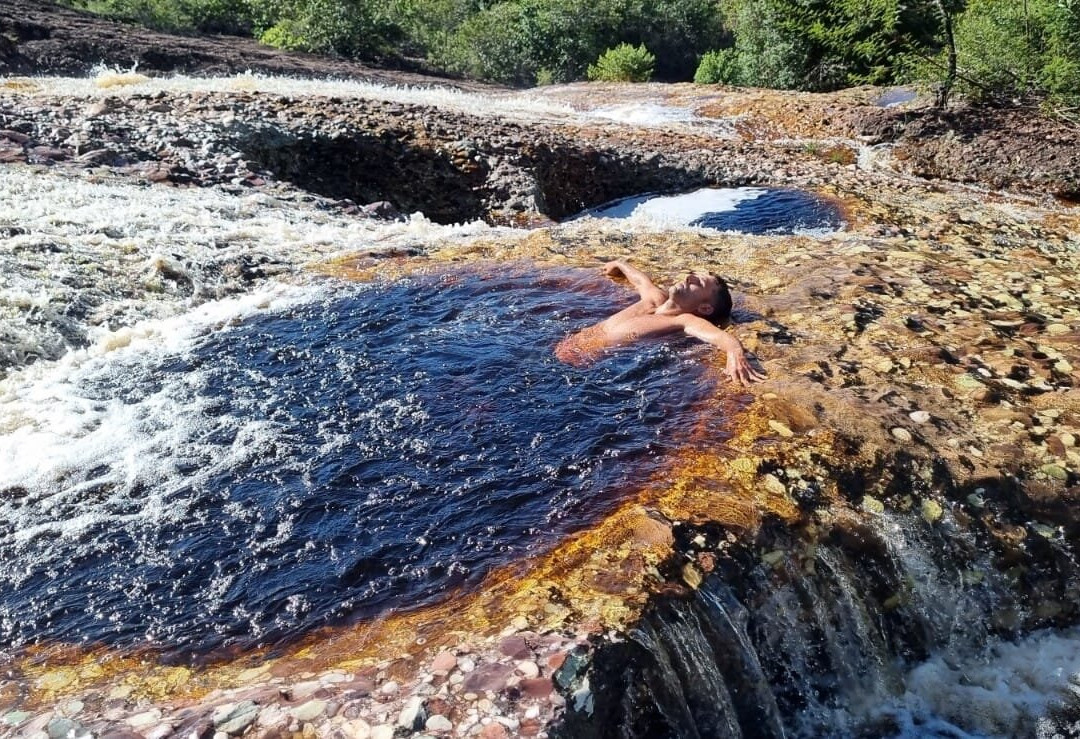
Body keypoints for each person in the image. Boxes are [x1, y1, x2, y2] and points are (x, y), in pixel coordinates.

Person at [555, 260, 765, 385]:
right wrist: (618, 264)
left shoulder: (684, 320)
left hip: (578, 372)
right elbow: (639, 280)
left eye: (698, 283)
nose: (688, 277)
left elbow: (720, 337)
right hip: (560, 352)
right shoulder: (654, 299)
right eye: (692, 275)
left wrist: (735, 353)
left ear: (705, 308)